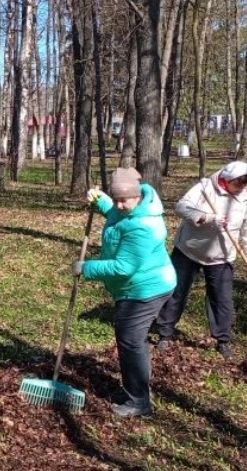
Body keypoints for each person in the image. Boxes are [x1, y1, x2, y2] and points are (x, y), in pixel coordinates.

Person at [74, 167, 176, 418]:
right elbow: (116, 213)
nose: (119, 205)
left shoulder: (144, 225)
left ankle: (139, 400)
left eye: (124, 200)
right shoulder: (130, 211)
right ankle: (134, 390)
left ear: (138, 197)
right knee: (130, 339)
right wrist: (102, 201)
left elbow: (123, 266)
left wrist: (87, 267)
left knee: (131, 341)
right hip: (138, 286)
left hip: (146, 289)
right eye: (116, 198)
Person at [153, 161, 247, 360]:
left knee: (222, 300)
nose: (240, 190)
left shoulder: (246, 200)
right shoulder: (204, 187)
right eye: (237, 185)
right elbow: (181, 207)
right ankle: (164, 333)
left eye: (244, 186)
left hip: (222, 256)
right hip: (189, 250)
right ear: (226, 180)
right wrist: (207, 217)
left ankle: (223, 340)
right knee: (176, 292)